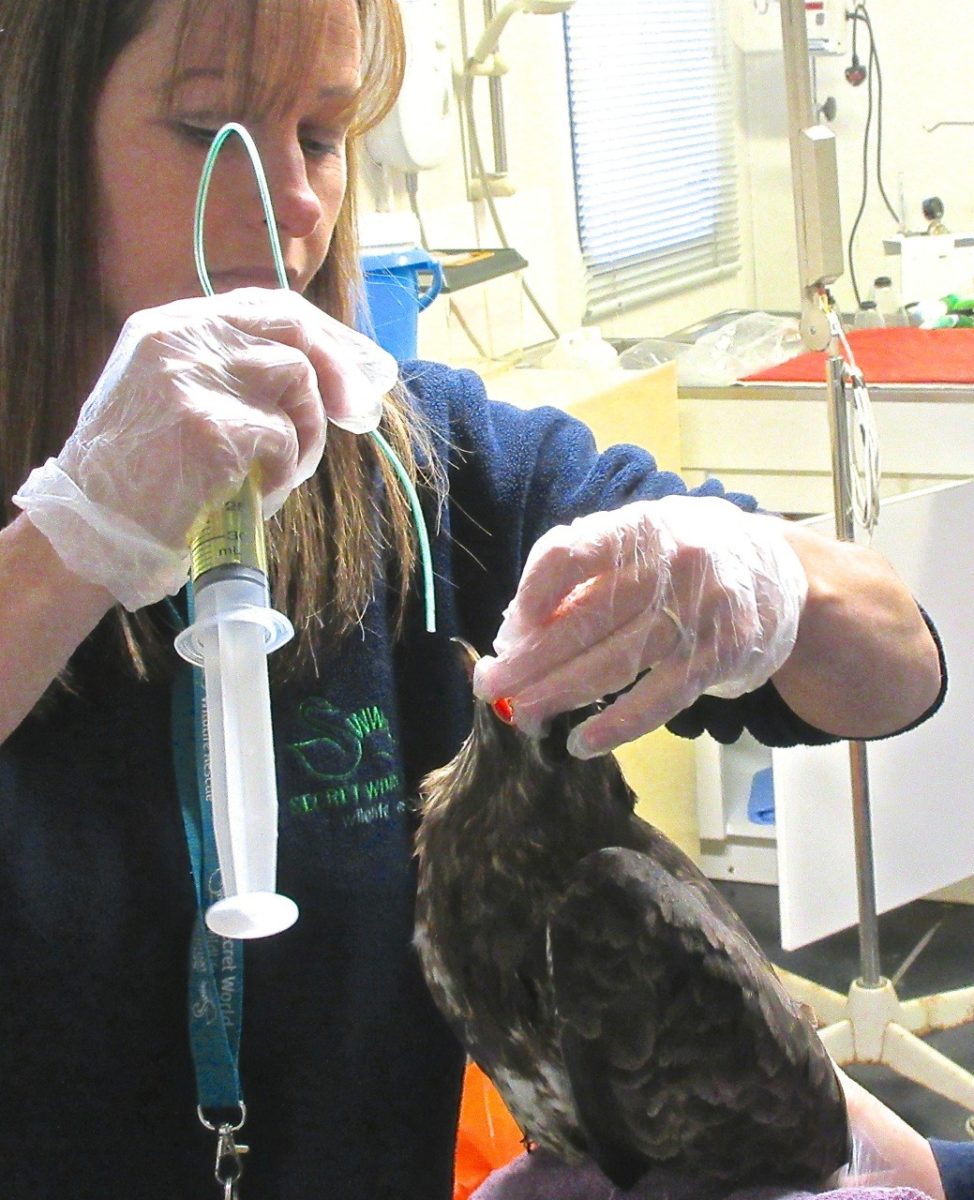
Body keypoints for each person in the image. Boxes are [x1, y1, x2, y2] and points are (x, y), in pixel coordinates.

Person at [0, 1, 945, 1198]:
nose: (291, 200)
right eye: (206, 127)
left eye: (324, 135)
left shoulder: (421, 464)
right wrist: (72, 537)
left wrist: (766, 582)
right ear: (33, 136)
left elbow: (901, 666)